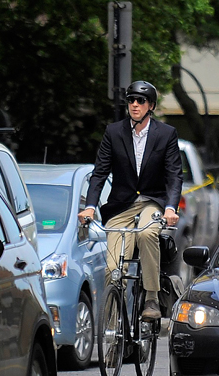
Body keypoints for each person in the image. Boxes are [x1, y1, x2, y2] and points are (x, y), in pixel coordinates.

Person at [78, 80, 183, 321]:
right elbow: (100, 173)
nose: (135, 105)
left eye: (140, 101)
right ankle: (113, 328)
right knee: (112, 270)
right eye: (131, 100)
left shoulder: (166, 134)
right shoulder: (113, 132)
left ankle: (152, 298)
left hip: (151, 202)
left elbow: (174, 175)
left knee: (147, 235)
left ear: (151, 106)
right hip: (121, 205)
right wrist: (90, 207)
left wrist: (170, 207)